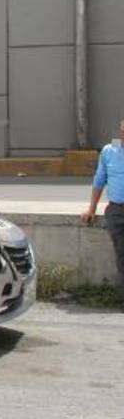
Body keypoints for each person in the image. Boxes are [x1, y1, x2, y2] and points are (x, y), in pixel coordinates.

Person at [80, 118, 124, 297]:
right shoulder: (109, 151)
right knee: (122, 255)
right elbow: (99, 181)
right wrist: (91, 209)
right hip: (117, 211)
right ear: (120, 132)